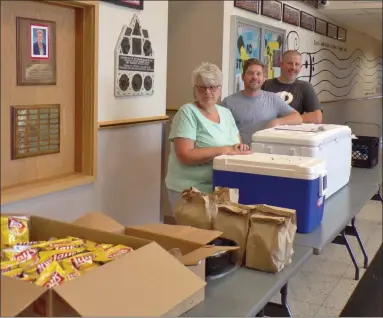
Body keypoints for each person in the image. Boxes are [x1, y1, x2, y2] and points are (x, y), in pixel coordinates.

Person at [165, 62, 251, 216]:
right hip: (189, 191)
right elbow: (185, 154)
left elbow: (236, 144)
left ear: (220, 89)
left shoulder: (225, 113)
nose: (207, 92)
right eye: (202, 87)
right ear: (194, 90)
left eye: (212, 87)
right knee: (194, 238)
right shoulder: (187, 112)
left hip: (220, 188)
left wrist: (239, 148)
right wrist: (224, 150)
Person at [221, 58, 302, 146]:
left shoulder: (274, 99)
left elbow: (297, 117)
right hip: (239, 153)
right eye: (250, 73)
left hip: (268, 152)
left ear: (264, 78)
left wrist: (276, 122)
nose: (254, 77)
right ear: (243, 77)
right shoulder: (228, 102)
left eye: (258, 74)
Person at [262, 50, 322, 123]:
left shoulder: (305, 87)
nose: (293, 67)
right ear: (281, 64)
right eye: (290, 63)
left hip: (293, 133)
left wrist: (281, 121)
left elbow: (317, 117)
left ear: (300, 67)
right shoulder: (266, 85)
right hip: (267, 132)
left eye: (297, 64)